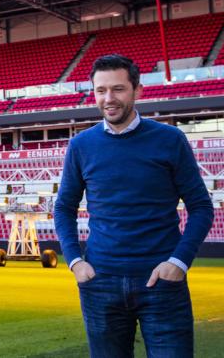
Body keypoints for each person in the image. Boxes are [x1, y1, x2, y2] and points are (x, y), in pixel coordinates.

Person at [54, 54, 214, 358]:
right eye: (100, 91)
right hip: (100, 282)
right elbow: (63, 208)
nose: (108, 99)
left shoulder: (170, 139)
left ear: (138, 90)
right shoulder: (81, 145)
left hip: (162, 282)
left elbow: (201, 207)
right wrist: (76, 262)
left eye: (118, 89)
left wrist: (178, 262)